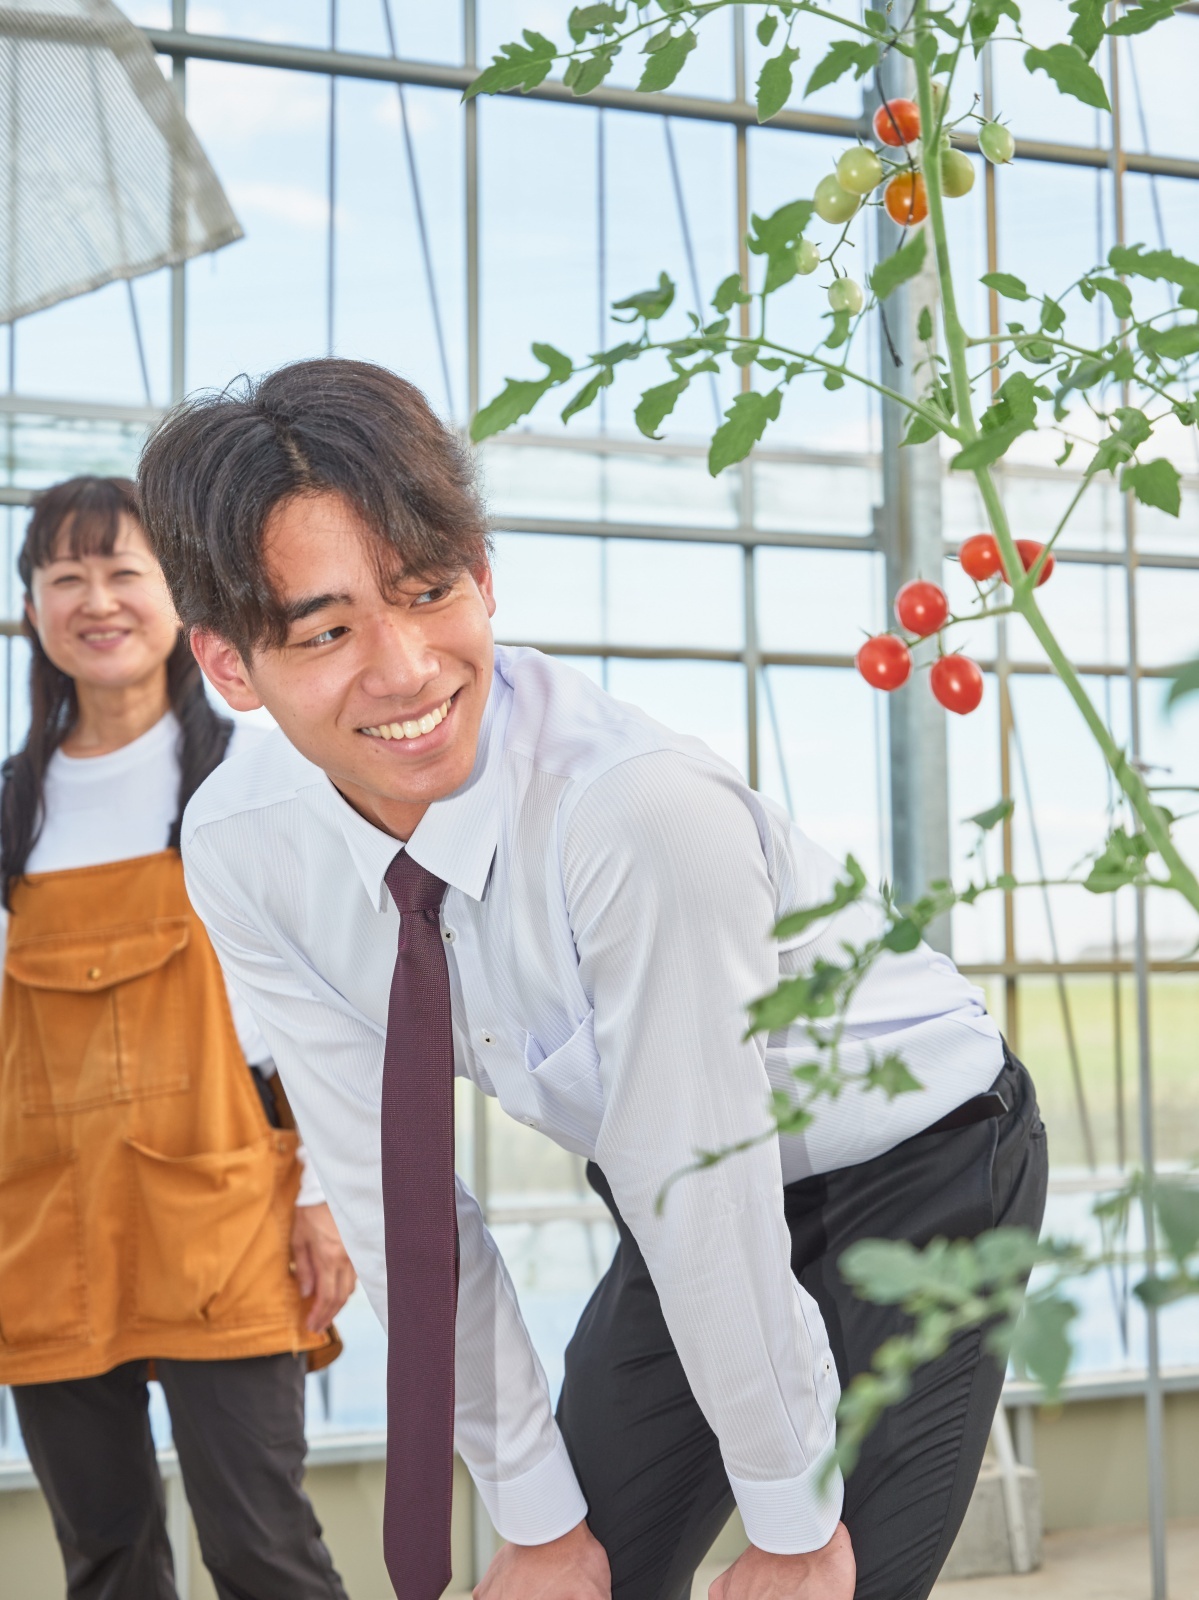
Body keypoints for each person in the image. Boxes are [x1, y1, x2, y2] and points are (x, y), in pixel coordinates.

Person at [137, 359, 1049, 1600]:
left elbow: (701, 1178)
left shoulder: (632, 813)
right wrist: (535, 1511)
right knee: (573, 1574)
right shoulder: (244, 845)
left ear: (485, 578)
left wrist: (790, 1530)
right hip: (680, 1190)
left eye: (429, 591)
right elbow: (392, 1189)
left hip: (922, 1155)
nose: (405, 670)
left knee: (833, 1580)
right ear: (230, 665)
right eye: (329, 629)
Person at [0, 477, 356, 1600]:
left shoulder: (254, 776)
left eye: (123, 572)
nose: (96, 601)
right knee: (104, 1557)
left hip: (222, 1205)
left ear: (175, 596)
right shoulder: (14, 808)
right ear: (34, 609)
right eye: (67, 577)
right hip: (47, 1223)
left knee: (261, 1544)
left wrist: (326, 1195)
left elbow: (319, 1007)